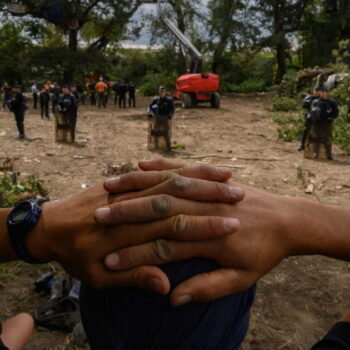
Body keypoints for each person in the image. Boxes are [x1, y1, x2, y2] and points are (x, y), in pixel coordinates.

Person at [308, 87, 339, 160]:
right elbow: (311, 111)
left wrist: (332, 117)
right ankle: (315, 153)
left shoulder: (332, 102)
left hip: (327, 123)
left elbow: (336, 112)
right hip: (317, 123)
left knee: (327, 138)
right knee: (316, 138)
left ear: (328, 93)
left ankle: (328, 154)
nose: (323, 94)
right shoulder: (316, 102)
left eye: (324, 92)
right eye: (321, 92)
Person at [148, 86, 175, 151]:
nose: (162, 92)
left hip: (166, 118)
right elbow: (150, 106)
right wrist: (149, 113)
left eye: (163, 91)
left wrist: (170, 114)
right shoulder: (156, 99)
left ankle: (168, 146)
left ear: (165, 92)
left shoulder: (169, 100)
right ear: (159, 92)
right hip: (157, 117)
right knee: (155, 132)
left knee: (166, 132)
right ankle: (156, 146)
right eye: (161, 91)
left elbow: (172, 108)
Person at [298, 86, 322, 151]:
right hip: (311, 115)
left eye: (318, 91)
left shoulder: (323, 98)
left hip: (321, 117)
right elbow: (304, 105)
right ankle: (302, 144)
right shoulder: (310, 97)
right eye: (316, 91)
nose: (317, 92)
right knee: (306, 129)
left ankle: (320, 147)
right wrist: (308, 102)